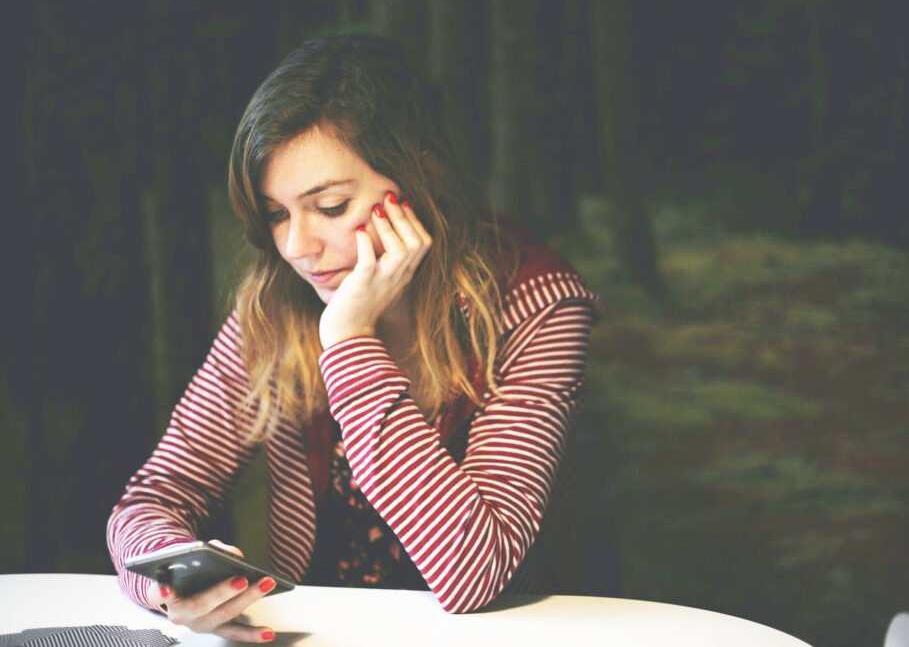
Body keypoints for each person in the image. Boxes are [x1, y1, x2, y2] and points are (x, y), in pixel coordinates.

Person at [107, 34, 598, 643]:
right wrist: (171, 583)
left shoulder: (536, 304)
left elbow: (472, 573)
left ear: (423, 174)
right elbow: (154, 496)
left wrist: (347, 339)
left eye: (332, 206)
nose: (296, 247)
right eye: (277, 214)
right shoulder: (276, 304)